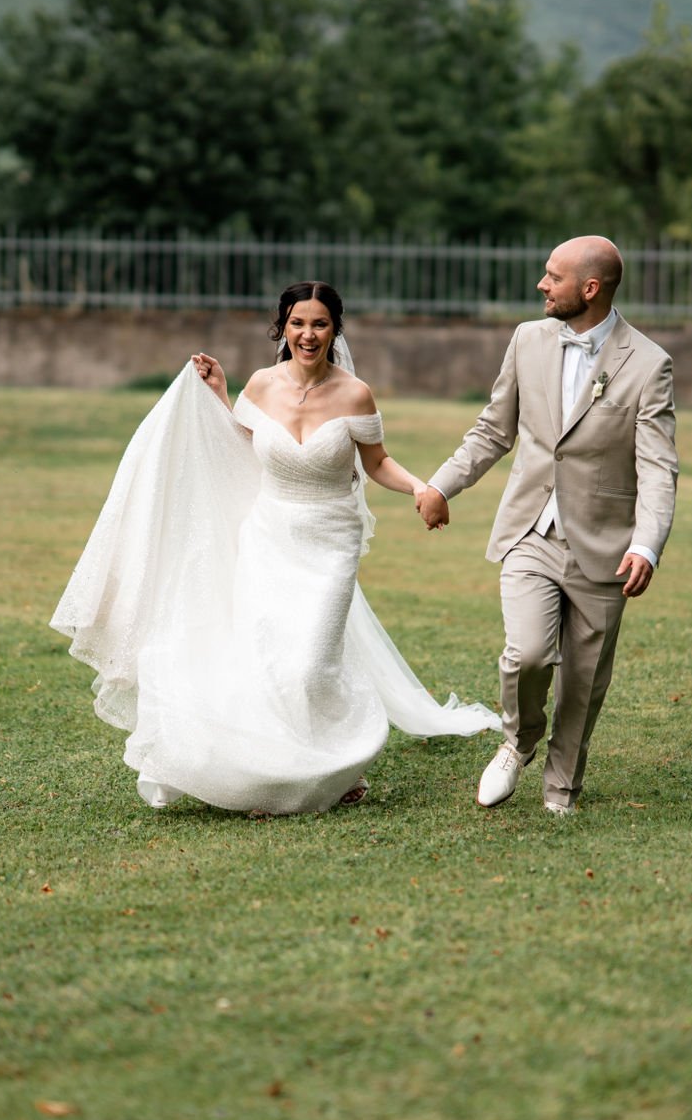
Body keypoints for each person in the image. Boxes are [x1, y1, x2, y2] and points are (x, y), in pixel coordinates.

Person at [51, 281, 500, 814]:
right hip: (269, 536)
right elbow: (244, 443)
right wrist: (219, 396)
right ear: (282, 327)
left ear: (335, 330)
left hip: (331, 541)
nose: (308, 334)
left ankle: (333, 760)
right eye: (297, 323)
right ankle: (273, 773)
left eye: (320, 324)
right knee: (268, 658)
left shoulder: (355, 394)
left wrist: (422, 488)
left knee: (311, 664)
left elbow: (376, 462)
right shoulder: (261, 386)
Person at [416, 237, 678, 816]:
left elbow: (658, 468)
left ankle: (562, 789)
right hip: (529, 529)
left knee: (583, 680)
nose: (541, 284)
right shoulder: (527, 339)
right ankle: (518, 741)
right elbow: (493, 430)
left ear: (590, 289)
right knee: (528, 654)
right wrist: (441, 485)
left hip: (607, 545)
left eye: (552, 276)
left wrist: (646, 545)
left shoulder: (649, 364)